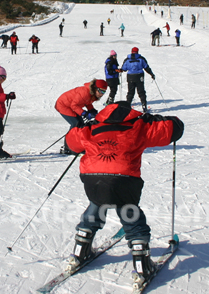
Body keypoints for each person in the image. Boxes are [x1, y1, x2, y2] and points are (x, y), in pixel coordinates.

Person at [64, 101, 184, 282]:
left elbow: (71, 142)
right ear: (129, 112)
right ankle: (141, 266)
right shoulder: (138, 125)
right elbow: (175, 128)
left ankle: (80, 250)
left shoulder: (94, 126)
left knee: (97, 203)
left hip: (92, 179)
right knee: (128, 210)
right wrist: (162, 119)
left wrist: (84, 126)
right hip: (124, 180)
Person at [55, 79, 108, 154]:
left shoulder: (92, 93)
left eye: (104, 92)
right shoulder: (85, 92)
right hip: (63, 105)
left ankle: (77, 145)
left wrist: (91, 110)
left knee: (81, 125)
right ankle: (67, 147)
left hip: (71, 106)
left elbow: (87, 102)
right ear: (95, 88)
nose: (102, 94)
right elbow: (74, 105)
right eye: (101, 91)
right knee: (75, 124)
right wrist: (84, 113)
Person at [121, 47, 155, 113]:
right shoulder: (141, 58)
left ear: (131, 51)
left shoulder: (127, 59)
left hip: (130, 76)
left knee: (130, 92)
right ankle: (144, 106)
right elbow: (146, 67)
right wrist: (151, 74)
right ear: (137, 52)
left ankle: (127, 106)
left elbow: (124, 68)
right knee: (141, 91)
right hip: (139, 76)